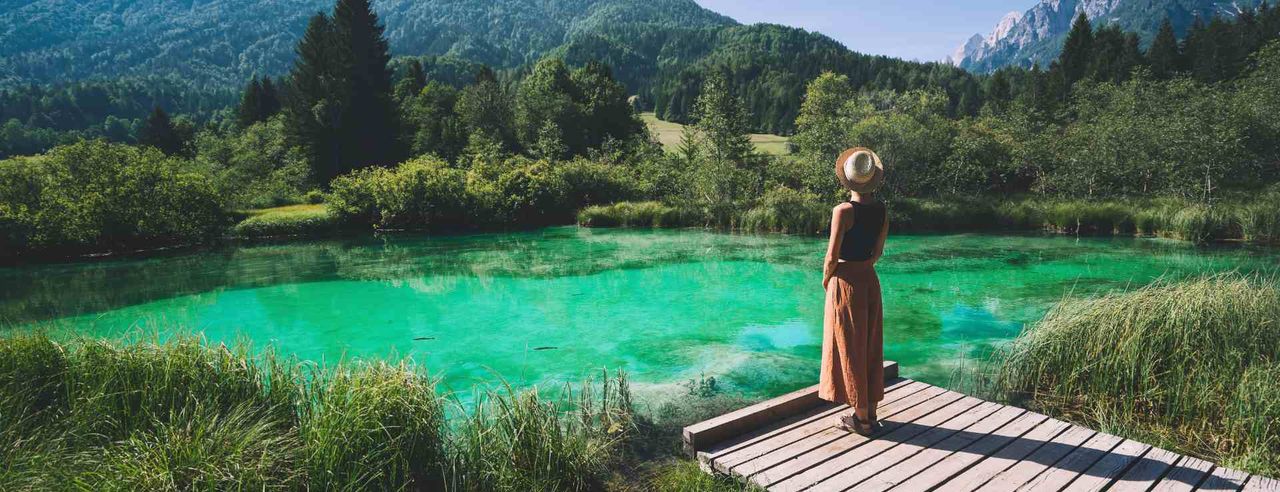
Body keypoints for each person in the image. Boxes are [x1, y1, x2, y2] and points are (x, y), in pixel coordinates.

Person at [819, 147, 888, 436]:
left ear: (847, 180)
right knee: (869, 343)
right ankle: (870, 409)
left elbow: (832, 255)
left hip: (845, 280)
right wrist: (863, 268)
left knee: (850, 345)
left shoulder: (842, 211)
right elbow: (878, 252)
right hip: (869, 279)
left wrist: (827, 280)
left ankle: (861, 420)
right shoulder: (882, 209)